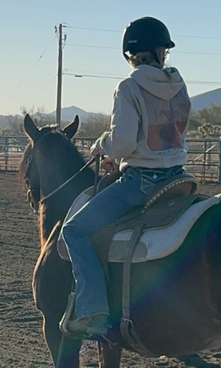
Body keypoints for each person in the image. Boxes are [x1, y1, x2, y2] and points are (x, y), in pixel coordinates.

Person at [61, 16, 191, 337]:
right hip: (178, 177)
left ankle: (92, 311)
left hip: (141, 183)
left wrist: (100, 146)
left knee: (74, 230)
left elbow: (123, 142)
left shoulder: (129, 87)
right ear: (160, 52)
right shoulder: (179, 85)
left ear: (131, 54)